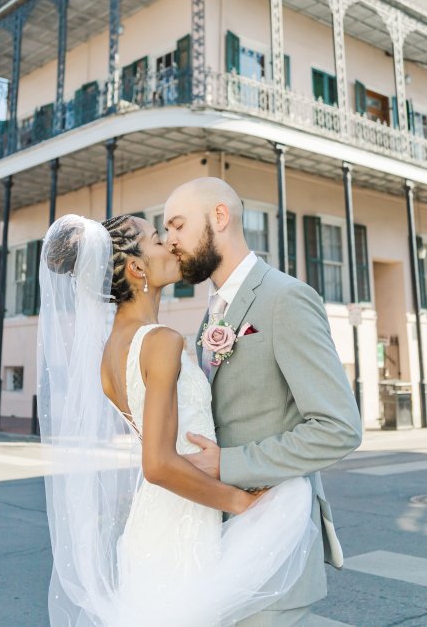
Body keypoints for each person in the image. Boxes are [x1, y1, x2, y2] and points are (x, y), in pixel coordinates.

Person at [38, 213, 316, 627]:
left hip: (153, 526)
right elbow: (158, 463)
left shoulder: (109, 355)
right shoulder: (160, 341)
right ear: (136, 267)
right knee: (292, 496)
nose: (169, 244)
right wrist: (243, 504)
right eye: (155, 239)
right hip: (179, 526)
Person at [163, 177, 363, 626]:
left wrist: (227, 464)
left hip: (274, 542)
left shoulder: (284, 299)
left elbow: (339, 428)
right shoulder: (213, 310)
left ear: (220, 217)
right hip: (223, 543)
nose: (170, 240)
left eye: (177, 225)